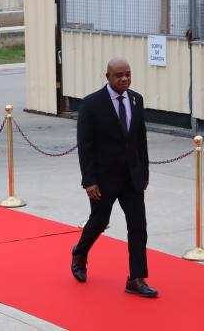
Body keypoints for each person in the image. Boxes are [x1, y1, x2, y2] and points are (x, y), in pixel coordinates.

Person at [70, 58, 157, 298]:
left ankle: (136, 278)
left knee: (138, 225)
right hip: (103, 178)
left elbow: (140, 140)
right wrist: (89, 180)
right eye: (119, 75)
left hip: (132, 177)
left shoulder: (136, 99)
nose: (125, 79)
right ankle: (80, 252)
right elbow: (85, 146)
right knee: (99, 221)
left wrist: (144, 173)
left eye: (128, 74)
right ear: (107, 76)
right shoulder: (91, 104)